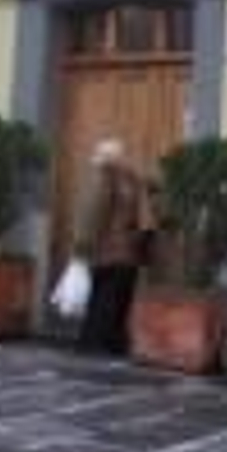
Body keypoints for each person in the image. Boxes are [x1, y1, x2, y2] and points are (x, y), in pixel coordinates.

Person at [71, 138, 148, 354]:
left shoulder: (103, 178)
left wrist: (81, 245)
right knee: (121, 300)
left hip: (106, 249)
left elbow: (93, 214)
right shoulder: (132, 179)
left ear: (104, 158)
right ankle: (115, 343)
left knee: (101, 299)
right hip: (129, 249)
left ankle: (93, 343)